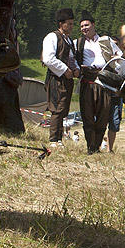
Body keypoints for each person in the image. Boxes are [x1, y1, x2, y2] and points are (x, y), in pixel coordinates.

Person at [75, 11, 122, 154]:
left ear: (93, 24)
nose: (84, 28)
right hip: (87, 80)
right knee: (87, 114)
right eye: (82, 26)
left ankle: (96, 146)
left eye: (86, 25)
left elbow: (120, 56)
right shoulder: (77, 43)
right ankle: (91, 147)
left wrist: (115, 59)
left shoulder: (105, 40)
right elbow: (71, 59)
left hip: (104, 80)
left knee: (103, 114)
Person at [42, 8, 79, 146]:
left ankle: (59, 139)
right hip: (56, 79)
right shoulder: (52, 37)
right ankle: (53, 140)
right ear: (60, 24)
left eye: (72, 23)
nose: (71, 26)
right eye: (68, 24)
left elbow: (72, 58)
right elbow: (48, 59)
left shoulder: (69, 40)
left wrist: (76, 69)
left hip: (66, 79)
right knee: (56, 109)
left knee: (63, 109)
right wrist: (65, 70)